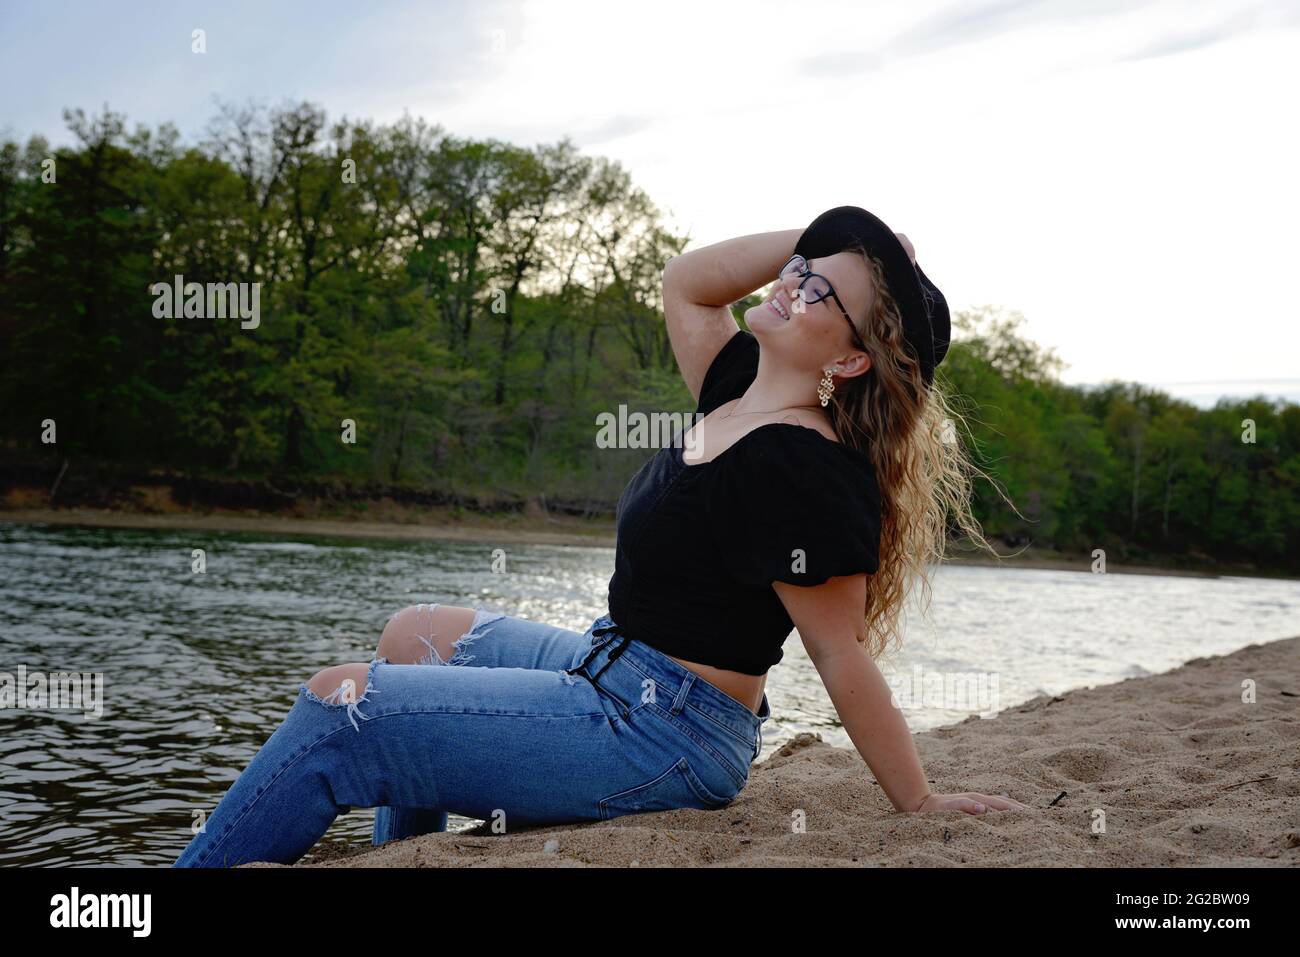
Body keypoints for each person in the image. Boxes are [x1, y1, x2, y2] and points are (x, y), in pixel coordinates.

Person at [172, 206, 1028, 868]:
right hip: (607, 660)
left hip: (668, 734)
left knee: (343, 705)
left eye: (820, 292)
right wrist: (819, 236)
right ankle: (406, 853)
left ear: (847, 362)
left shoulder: (807, 467)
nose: (791, 283)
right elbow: (688, 279)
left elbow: (841, 656)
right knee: (412, 634)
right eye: (799, 270)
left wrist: (918, 801)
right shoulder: (735, 387)